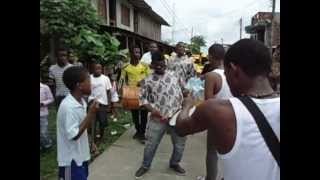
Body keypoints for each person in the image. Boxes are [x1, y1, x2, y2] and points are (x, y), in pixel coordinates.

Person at [176, 39, 280, 180]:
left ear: (233, 70)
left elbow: (181, 128)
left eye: (226, 73)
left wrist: (187, 105)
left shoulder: (216, 110)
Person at [135, 52, 187, 179]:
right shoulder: (147, 80)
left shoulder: (175, 75)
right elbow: (143, 100)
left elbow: (184, 91)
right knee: (151, 144)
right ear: (152, 65)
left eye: (162, 64)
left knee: (180, 144)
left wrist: (186, 104)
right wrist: (153, 110)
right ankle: (145, 166)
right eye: (157, 65)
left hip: (176, 117)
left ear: (165, 63)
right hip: (157, 118)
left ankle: (174, 163)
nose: (160, 67)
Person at [196, 44, 233, 180]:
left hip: (217, 119)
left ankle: (210, 178)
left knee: (212, 153)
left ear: (211, 56)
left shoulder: (211, 76)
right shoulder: (232, 73)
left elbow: (208, 104)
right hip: (233, 118)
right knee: (229, 152)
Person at [57, 66, 99, 180]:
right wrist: (90, 114)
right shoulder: (68, 107)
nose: (92, 84)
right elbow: (74, 135)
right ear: (79, 85)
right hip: (70, 161)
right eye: (88, 81)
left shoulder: (81, 102)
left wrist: (90, 142)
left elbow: (82, 126)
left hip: (82, 156)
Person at [120, 46, 151, 144]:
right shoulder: (126, 67)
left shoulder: (144, 66)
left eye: (138, 52)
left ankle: (142, 133)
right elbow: (122, 79)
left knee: (144, 113)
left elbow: (150, 78)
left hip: (143, 92)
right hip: (131, 93)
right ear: (131, 54)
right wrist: (121, 91)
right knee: (135, 114)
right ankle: (138, 130)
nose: (137, 54)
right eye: (135, 52)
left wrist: (143, 82)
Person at [88, 63, 112, 145]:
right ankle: (93, 139)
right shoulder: (89, 78)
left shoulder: (105, 78)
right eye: (96, 68)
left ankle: (101, 136)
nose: (98, 70)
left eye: (100, 68)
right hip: (92, 102)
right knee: (92, 121)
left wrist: (109, 104)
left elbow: (108, 92)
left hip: (103, 103)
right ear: (92, 69)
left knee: (102, 121)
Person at [40, 80, 54, 150]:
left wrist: (43, 103)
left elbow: (51, 99)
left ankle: (47, 144)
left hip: (42, 113)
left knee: (43, 131)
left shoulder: (45, 87)